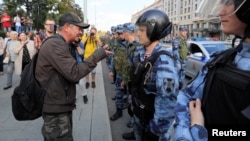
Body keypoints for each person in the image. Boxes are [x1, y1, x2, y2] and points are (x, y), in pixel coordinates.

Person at [174, 0, 250, 140]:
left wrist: (197, 130)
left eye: (228, 3)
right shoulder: (223, 58)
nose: (220, 12)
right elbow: (184, 98)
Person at [35, 12, 112, 141]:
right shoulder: (55, 44)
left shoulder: (62, 43)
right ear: (66, 27)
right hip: (55, 109)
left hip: (59, 105)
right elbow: (74, 73)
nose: (81, 32)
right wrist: (98, 55)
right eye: (79, 28)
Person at [132, 9, 179, 141]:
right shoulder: (141, 54)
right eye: (138, 30)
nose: (138, 34)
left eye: (142, 30)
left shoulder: (164, 60)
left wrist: (156, 130)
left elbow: (167, 100)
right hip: (140, 117)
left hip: (153, 126)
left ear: (154, 31)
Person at [120, 22, 142, 140]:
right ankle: (135, 128)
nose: (122, 34)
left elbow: (136, 69)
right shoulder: (129, 46)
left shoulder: (137, 47)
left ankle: (136, 129)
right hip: (130, 82)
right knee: (132, 104)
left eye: (124, 32)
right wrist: (124, 79)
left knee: (135, 106)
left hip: (135, 84)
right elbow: (128, 65)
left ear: (128, 32)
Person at [69, 36, 88, 104]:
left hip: (79, 65)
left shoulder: (81, 44)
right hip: (71, 66)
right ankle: (75, 97)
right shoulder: (68, 44)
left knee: (82, 83)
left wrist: (77, 46)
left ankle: (84, 95)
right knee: (74, 84)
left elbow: (82, 54)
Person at [172, 25, 188, 90]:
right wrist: (178, 63)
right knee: (177, 76)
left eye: (186, 31)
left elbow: (183, 49)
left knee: (182, 77)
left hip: (183, 61)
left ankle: (179, 89)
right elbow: (175, 52)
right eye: (183, 31)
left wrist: (188, 53)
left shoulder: (184, 41)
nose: (185, 32)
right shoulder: (176, 41)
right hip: (179, 62)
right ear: (180, 32)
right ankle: (175, 90)